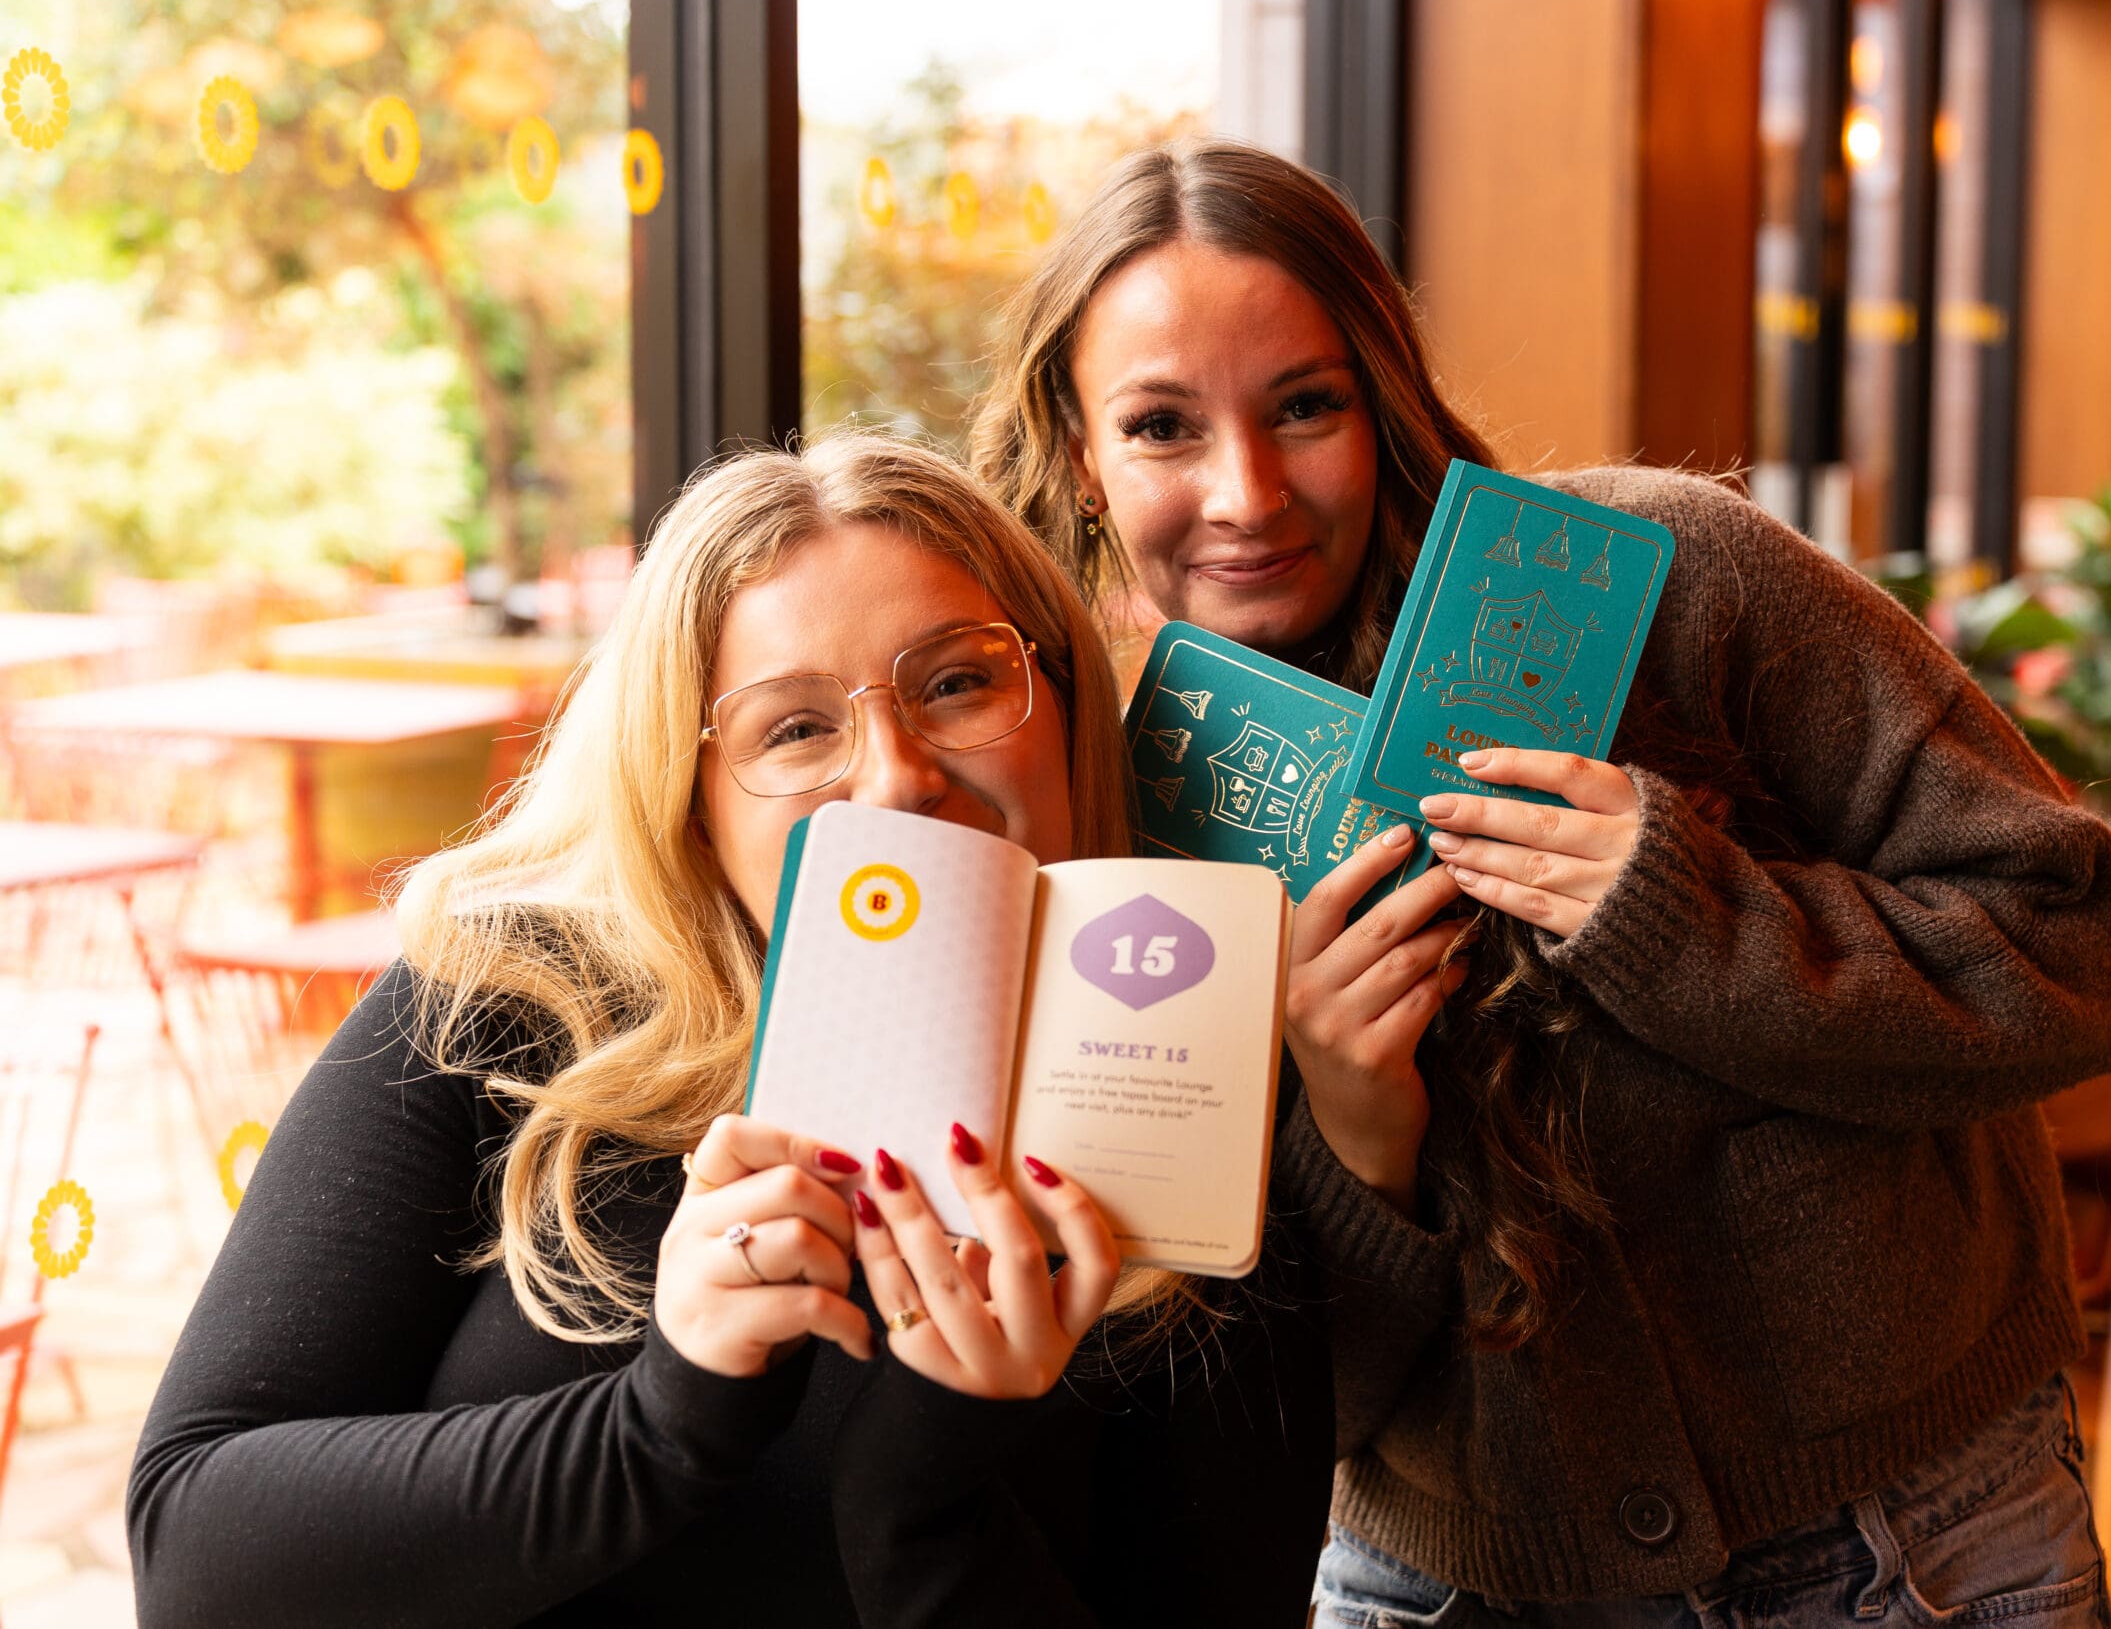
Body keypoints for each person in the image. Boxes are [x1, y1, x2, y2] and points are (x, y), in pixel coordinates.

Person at [973, 140, 2111, 1627]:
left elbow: (2080, 954)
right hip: (1456, 1585)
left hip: (1916, 1533)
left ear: (1385, 395)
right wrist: (1359, 1132)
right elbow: (1274, 1416)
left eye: (1305, 404)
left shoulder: (1668, 575)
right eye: (1161, 426)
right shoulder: (1097, 827)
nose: (1248, 491)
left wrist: (1683, 915)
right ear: (1082, 454)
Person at [126, 430, 1331, 1628]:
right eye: (794, 727)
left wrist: (921, 1496)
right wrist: (659, 1420)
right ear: (692, 799)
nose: (897, 776)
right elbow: (193, 1558)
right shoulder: (498, 1006)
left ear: (1062, 708)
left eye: (958, 681)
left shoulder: (1197, 1130)